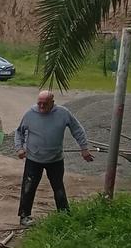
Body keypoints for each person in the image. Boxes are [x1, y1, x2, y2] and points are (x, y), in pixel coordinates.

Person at [14, 90, 93, 227]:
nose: (42, 107)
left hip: (55, 160)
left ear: (53, 103)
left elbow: (77, 129)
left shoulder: (63, 113)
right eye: (39, 103)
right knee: (28, 187)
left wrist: (84, 148)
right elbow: (19, 132)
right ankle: (24, 216)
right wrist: (19, 148)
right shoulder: (30, 114)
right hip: (33, 159)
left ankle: (64, 214)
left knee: (58, 187)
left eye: (45, 104)